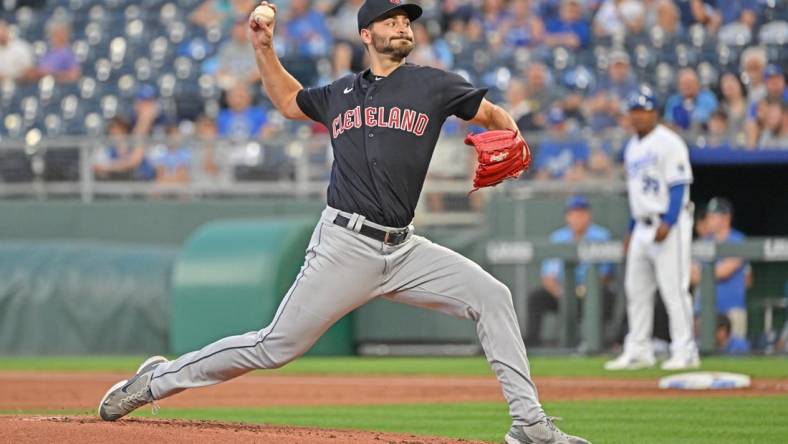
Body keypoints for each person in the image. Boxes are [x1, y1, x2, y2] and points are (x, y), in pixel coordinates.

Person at [98, 2, 590, 443]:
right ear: (365, 34)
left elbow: (489, 112)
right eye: (391, 20)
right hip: (344, 245)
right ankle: (153, 382)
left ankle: (528, 424)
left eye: (406, 20)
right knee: (273, 347)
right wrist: (263, 48)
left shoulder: (433, 83)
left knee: (493, 296)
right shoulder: (341, 93)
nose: (402, 26)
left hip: (404, 250)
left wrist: (512, 134)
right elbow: (290, 102)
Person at [605, 86, 699, 371]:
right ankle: (639, 349)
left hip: (668, 222)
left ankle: (685, 349)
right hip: (642, 224)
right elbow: (637, 196)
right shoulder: (632, 147)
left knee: (674, 289)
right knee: (636, 290)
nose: (636, 116)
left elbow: (680, 185)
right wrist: (631, 229)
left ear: (654, 113)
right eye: (633, 111)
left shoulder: (669, 142)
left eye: (642, 110)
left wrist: (669, 222)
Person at [526, 196, 615, 347]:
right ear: (567, 217)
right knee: (536, 297)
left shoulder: (601, 236)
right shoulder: (558, 238)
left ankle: (602, 342)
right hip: (562, 292)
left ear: (589, 215)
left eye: (581, 213)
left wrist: (587, 290)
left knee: (608, 295)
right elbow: (548, 276)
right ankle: (532, 345)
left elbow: (606, 275)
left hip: (591, 292)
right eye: (573, 214)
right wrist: (563, 294)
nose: (577, 218)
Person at [690, 197, 750, 340]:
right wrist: (710, 274)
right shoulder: (702, 242)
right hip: (703, 310)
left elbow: (725, 272)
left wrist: (703, 275)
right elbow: (689, 275)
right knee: (701, 355)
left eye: (713, 215)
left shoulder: (738, 240)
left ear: (726, 217)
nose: (708, 219)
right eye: (709, 215)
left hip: (731, 310)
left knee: (735, 356)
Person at [533, 107, 590, 181]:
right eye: (554, 125)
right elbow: (541, 173)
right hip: (553, 187)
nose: (557, 129)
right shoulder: (545, 145)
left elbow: (580, 169)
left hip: (572, 186)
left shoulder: (576, 140)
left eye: (560, 125)